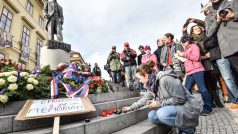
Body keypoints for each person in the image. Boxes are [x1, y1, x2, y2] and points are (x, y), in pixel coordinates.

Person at [122, 62, 200, 134]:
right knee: (152, 116)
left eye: (140, 78)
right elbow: (144, 99)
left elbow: (180, 99)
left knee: (162, 114)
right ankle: (175, 127)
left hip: (187, 106)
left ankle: (188, 130)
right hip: (175, 106)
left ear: (146, 75)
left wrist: (158, 103)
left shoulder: (165, 79)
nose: (140, 81)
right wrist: (131, 107)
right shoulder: (151, 86)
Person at [205, 0, 238, 111]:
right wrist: (217, 21)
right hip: (226, 48)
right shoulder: (209, 15)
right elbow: (209, 32)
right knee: (230, 76)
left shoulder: (232, 1)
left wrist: (233, 15)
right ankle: (235, 99)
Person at [177, 35, 213, 115]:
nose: (183, 43)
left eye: (184, 41)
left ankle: (208, 108)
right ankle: (189, 107)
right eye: (182, 42)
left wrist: (184, 55)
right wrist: (181, 60)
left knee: (202, 88)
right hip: (189, 71)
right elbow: (188, 59)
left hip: (197, 70)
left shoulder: (194, 46)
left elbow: (196, 58)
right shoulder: (186, 49)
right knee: (186, 89)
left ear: (188, 40)